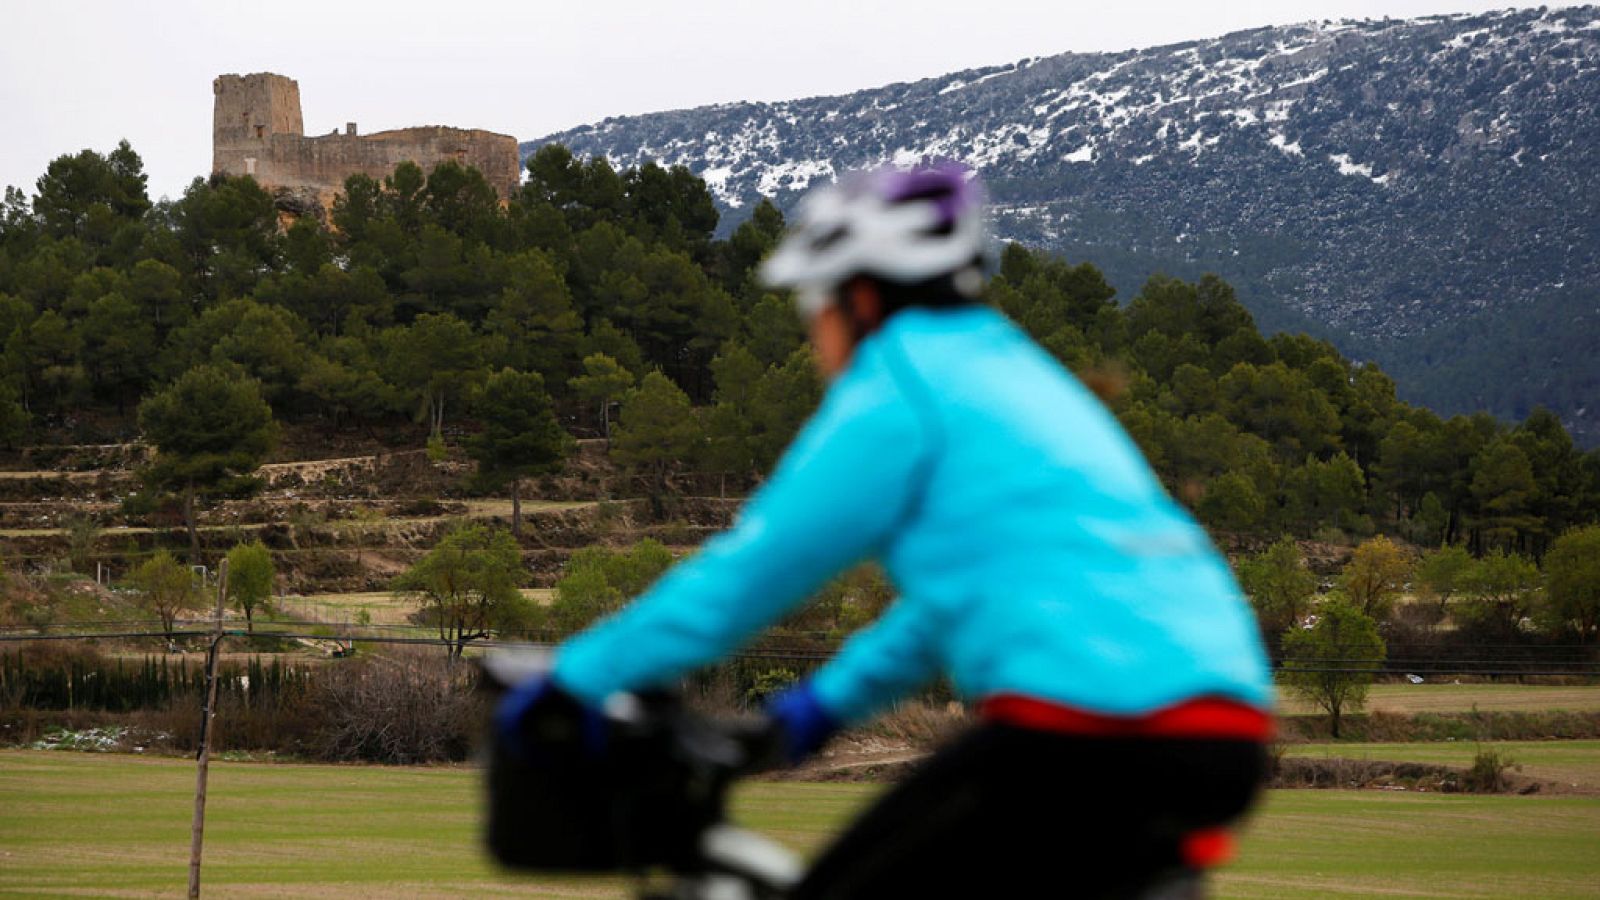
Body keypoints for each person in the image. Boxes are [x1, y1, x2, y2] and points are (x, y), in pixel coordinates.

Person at [498, 162, 1274, 897]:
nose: (816, 335)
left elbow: (750, 573)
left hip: (1095, 727)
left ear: (861, 299)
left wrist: (574, 681)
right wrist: (819, 709)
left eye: (817, 307)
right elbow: (954, 604)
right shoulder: (1017, 373)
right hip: (1220, 723)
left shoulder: (900, 385)